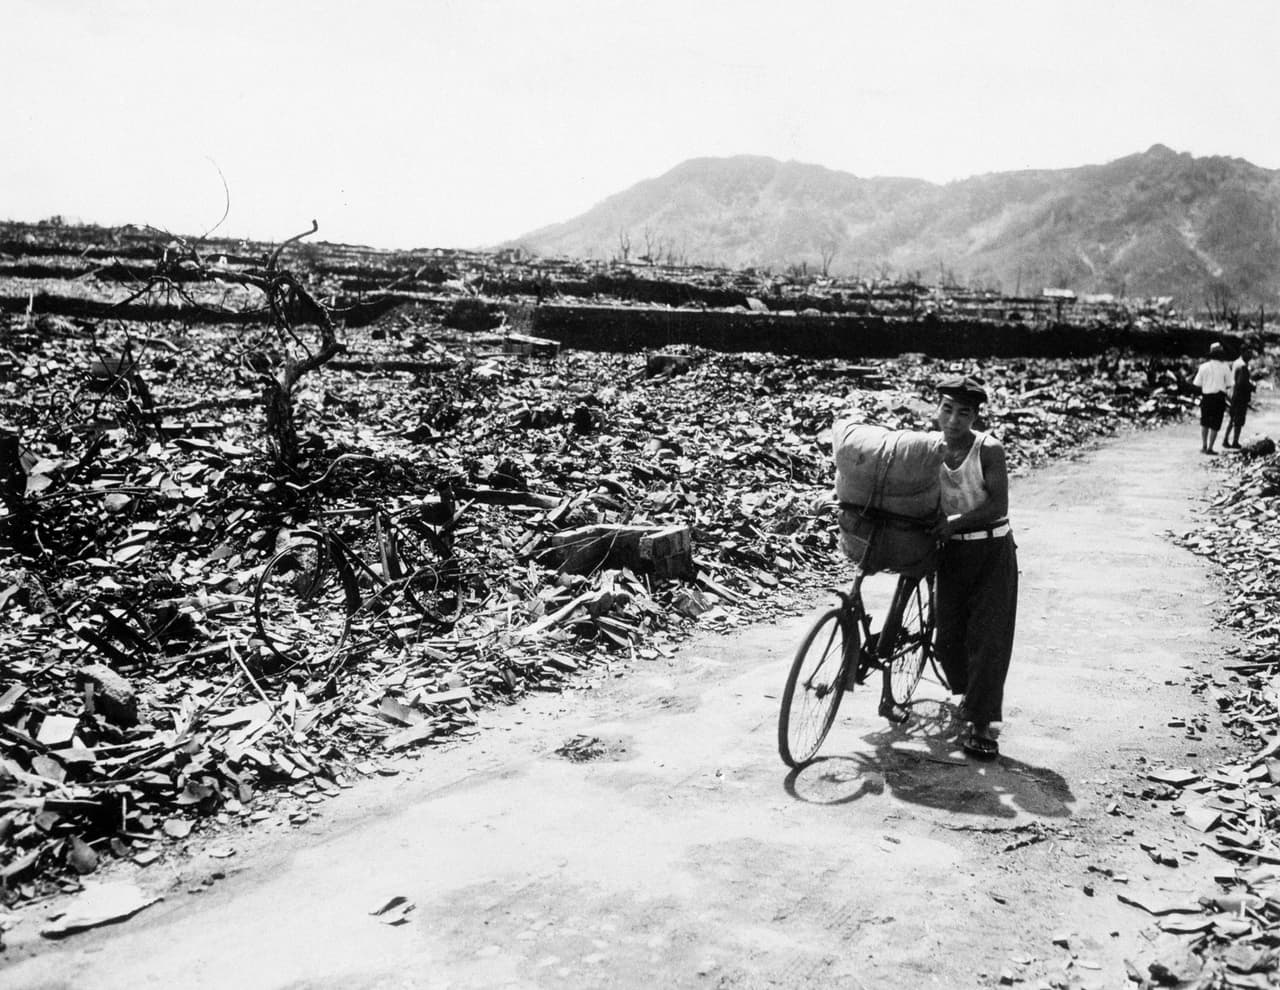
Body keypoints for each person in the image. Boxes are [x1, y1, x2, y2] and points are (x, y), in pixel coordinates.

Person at [929, 375, 1018, 761]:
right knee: (946, 637)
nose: (952, 420)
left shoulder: (988, 449)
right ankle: (971, 698)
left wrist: (952, 524)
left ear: (976, 416)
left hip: (991, 551)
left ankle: (982, 724)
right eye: (947, 409)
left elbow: (998, 506)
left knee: (987, 637)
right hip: (951, 554)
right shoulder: (927, 448)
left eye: (963, 413)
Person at [1191, 342, 1233, 455]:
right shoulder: (1225, 367)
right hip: (1219, 397)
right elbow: (1229, 384)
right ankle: (1210, 447)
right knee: (1215, 423)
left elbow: (1197, 384)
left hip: (1206, 397)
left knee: (1205, 422)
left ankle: (1204, 445)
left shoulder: (1203, 367)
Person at [1224, 348, 1254, 449]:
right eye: (1248, 353)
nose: (1250, 356)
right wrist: (1251, 387)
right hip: (1240, 396)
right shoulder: (1243, 366)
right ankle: (1235, 441)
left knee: (1232, 419)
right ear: (1243, 353)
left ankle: (1225, 439)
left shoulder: (1236, 362)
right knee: (1238, 421)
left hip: (1233, 394)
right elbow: (1242, 383)